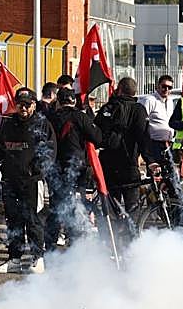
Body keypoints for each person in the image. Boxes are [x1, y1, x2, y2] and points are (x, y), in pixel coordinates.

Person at [0, 87, 56, 273]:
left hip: (32, 181)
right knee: (13, 220)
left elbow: (49, 151)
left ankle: (38, 258)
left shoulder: (42, 124)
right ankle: (14, 258)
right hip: (10, 180)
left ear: (34, 105)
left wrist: (36, 170)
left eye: (27, 105)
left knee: (34, 219)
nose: (23, 108)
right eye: (20, 104)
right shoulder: (8, 124)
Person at [47, 86, 103, 248]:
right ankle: (74, 242)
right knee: (76, 205)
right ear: (74, 101)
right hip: (77, 169)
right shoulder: (80, 117)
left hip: (54, 168)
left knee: (57, 205)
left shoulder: (49, 117)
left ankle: (50, 244)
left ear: (58, 101)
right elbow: (98, 137)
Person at [96, 77, 150, 221]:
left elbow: (96, 132)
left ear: (119, 90)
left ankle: (112, 240)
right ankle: (131, 240)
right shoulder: (139, 110)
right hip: (130, 164)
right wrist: (150, 161)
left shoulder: (108, 107)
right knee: (132, 208)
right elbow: (143, 138)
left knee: (111, 206)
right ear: (134, 92)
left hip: (108, 163)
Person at [138, 74, 175, 168]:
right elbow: (140, 121)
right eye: (164, 86)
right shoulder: (149, 100)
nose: (166, 89)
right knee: (156, 175)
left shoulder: (170, 101)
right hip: (154, 145)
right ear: (157, 86)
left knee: (170, 176)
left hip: (168, 144)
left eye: (169, 87)